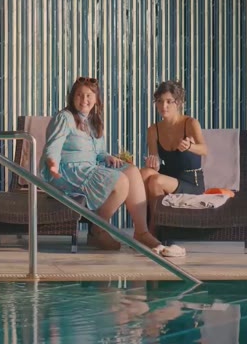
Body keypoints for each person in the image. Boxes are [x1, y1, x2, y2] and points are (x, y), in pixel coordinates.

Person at [40, 77, 173, 255]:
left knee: (132, 171)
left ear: (96, 99)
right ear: (72, 97)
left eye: (89, 95)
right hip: (67, 172)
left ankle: (141, 232)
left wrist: (108, 157)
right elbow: (53, 147)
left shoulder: (94, 121)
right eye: (79, 95)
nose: (84, 99)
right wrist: (52, 164)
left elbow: (98, 152)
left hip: (90, 167)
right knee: (120, 181)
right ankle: (98, 229)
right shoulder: (64, 118)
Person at [140, 81, 207, 254]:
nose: (164, 106)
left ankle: (153, 232)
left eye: (169, 101)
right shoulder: (153, 130)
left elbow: (204, 150)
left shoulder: (190, 123)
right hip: (168, 176)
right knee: (143, 174)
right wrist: (153, 163)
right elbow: (155, 160)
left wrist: (189, 146)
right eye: (160, 101)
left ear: (178, 102)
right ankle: (141, 230)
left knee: (155, 181)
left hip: (191, 181)